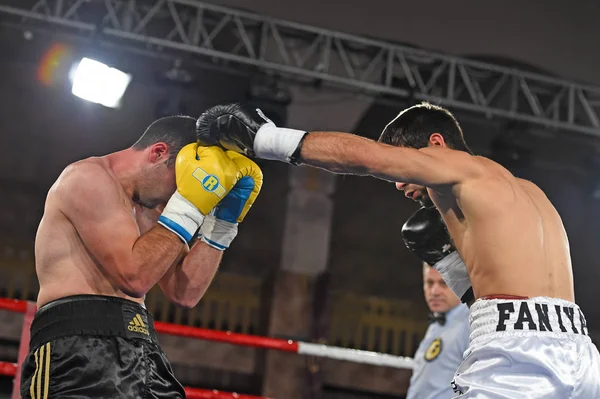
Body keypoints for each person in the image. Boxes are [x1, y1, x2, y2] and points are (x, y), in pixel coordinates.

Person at [195, 102, 600, 398]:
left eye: (407, 161)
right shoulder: (531, 195)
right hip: (580, 355)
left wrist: (264, 138)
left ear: (436, 144)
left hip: (515, 358)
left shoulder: (459, 168)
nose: (400, 185)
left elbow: (365, 158)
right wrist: (453, 267)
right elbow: (512, 296)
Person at [21, 115, 262, 398]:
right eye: (182, 183)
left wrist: (222, 225)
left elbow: (185, 292)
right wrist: (190, 204)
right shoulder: (88, 179)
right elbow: (134, 277)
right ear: (158, 153)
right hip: (75, 351)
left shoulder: (154, 208)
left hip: (141, 348)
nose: (179, 196)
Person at [407, 263, 469, 399]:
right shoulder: (438, 323)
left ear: (460, 285)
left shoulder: (470, 323)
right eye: (429, 283)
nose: (434, 291)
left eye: (443, 283)